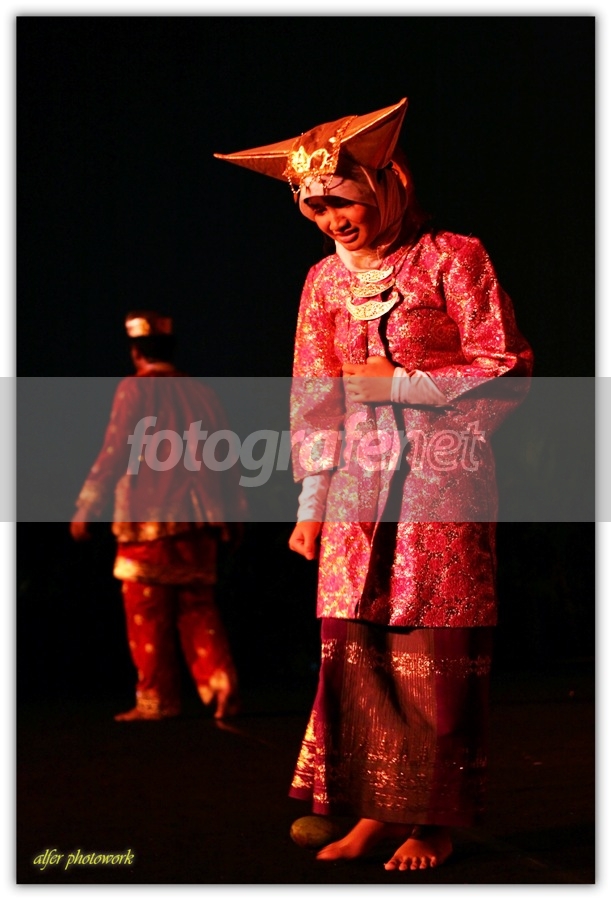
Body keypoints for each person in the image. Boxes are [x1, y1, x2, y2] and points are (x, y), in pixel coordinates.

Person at [215, 98, 533, 870]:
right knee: (353, 646)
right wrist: (310, 506)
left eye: (341, 202)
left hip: (440, 478)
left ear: (385, 188)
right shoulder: (322, 282)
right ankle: (369, 810)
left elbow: (506, 363)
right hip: (354, 486)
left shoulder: (453, 256)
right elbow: (314, 394)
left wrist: (406, 386)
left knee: (433, 641)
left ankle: (430, 821)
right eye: (314, 208)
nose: (331, 220)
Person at [70, 310, 244, 721]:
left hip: (146, 519)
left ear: (136, 353)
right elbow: (228, 458)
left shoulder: (134, 388)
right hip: (200, 519)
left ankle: (156, 699)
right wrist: (235, 515)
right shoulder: (202, 392)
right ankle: (222, 688)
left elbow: (115, 449)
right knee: (197, 606)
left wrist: (86, 506)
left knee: (146, 609)